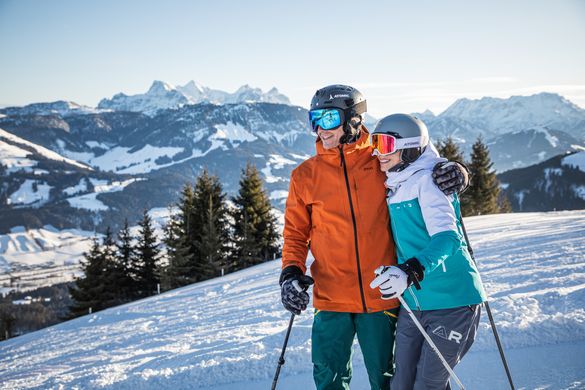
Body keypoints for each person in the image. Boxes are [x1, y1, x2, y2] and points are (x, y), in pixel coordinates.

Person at [280, 85, 469, 390]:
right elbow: (295, 234)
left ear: (353, 119)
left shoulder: (380, 159)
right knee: (328, 378)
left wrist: (455, 170)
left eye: (328, 119)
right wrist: (290, 273)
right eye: (314, 119)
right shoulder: (305, 175)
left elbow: (420, 158)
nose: (319, 129)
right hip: (331, 297)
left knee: (386, 379)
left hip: (381, 294)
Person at [368, 114, 486, 390]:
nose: (377, 152)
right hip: (416, 302)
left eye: (384, 144)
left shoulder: (428, 181)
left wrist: (410, 270)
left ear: (409, 147)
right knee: (401, 383)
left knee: (428, 384)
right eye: (374, 143)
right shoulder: (395, 181)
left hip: (452, 301)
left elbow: (448, 239)